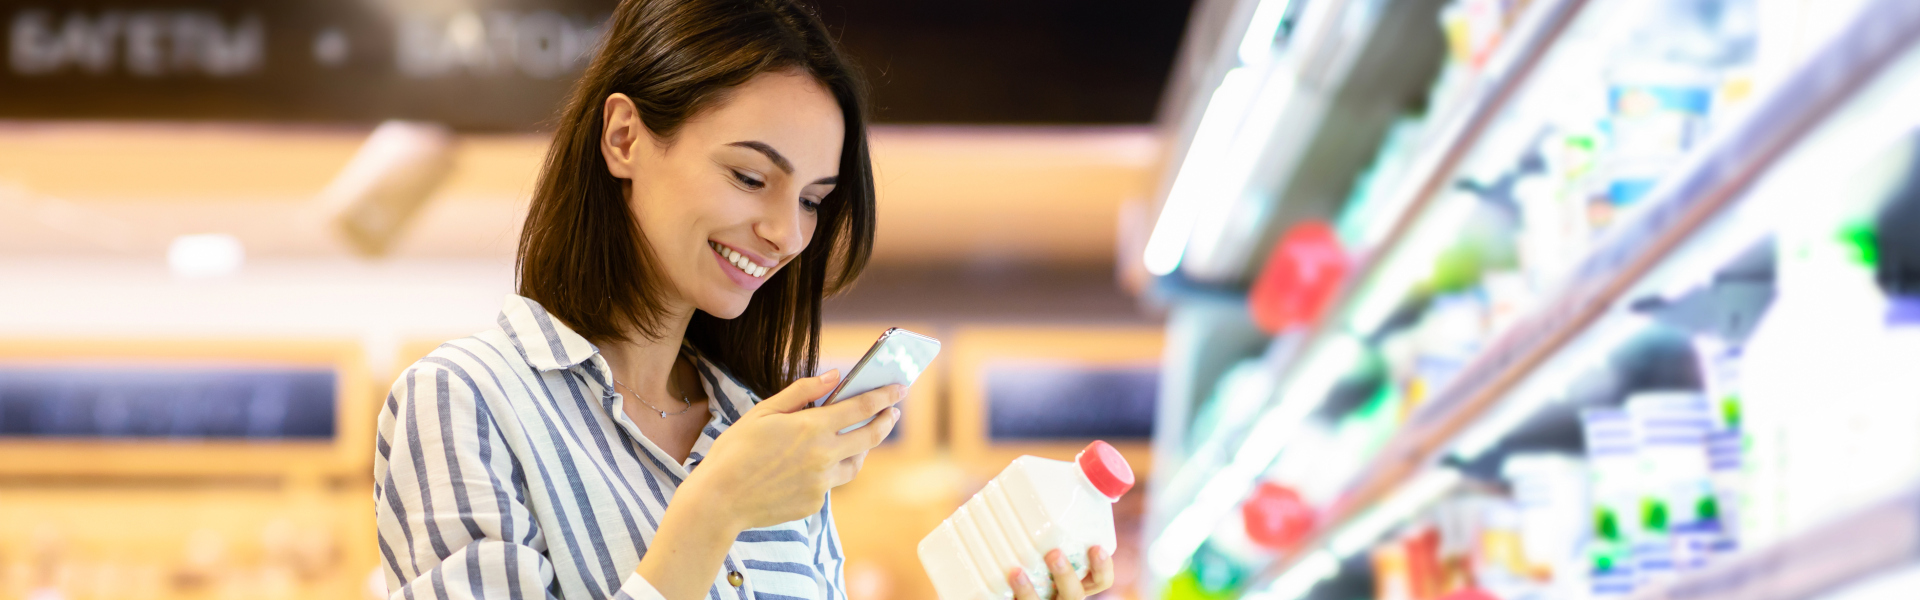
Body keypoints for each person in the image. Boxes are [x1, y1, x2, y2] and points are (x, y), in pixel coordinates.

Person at [371, 0, 1115, 598]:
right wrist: (715, 507)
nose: (786, 234)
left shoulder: (760, 426)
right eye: (751, 178)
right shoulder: (464, 399)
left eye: (813, 200)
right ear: (625, 138)